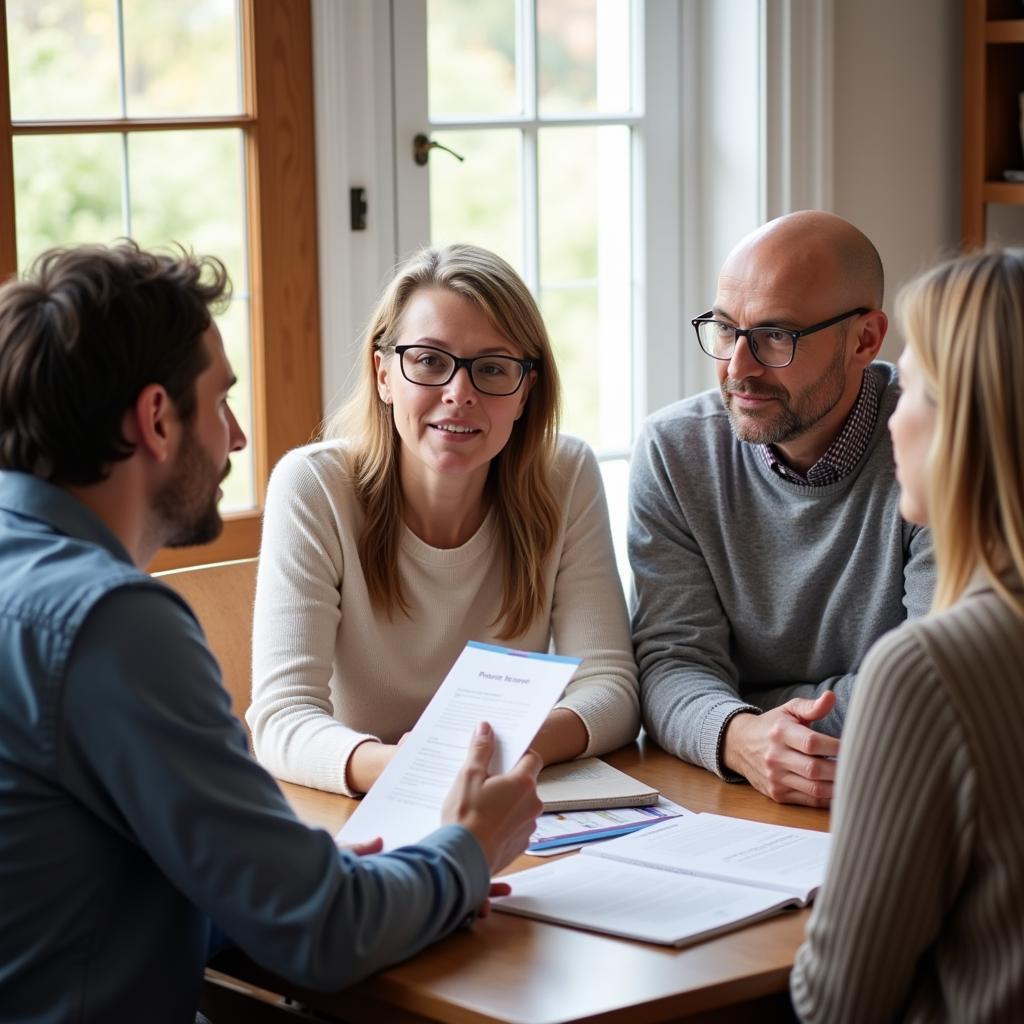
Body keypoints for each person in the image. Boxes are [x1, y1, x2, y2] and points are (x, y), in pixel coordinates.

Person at [0, 242, 544, 1023]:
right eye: (220, 402)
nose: (237, 438)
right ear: (157, 418)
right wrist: (467, 848)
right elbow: (321, 935)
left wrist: (306, 879)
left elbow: (82, 873)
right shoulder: (110, 624)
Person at [248, 243, 639, 796]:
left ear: (526, 390)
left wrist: (500, 751)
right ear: (384, 374)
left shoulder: (565, 474)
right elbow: (281, 720)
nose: (460, 394)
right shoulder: (313, 487)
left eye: (492, 368)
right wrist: (414, 770)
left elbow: (612, 688)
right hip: (358, 814)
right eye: (429, 361)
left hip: (503, 796)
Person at [629, 210, 934, 807]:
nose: (737, 369)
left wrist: (746, 702)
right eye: (724, 329)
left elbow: (932, 684)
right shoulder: (675, 451)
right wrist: (738, 735)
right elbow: (670, 662)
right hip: (742, 800)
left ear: (865, 340)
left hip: (894, 792)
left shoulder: (932, 447)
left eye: (776, 336)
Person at [791, 249, 1024, 1021]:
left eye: (913, 384)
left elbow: (837, 1004)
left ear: (970, 419)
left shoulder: (928, 669)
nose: (892, 414)